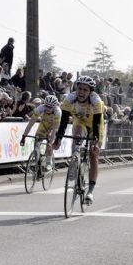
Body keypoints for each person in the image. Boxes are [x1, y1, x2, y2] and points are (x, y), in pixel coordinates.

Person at [55, 76, 105, 205]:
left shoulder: (96, 101)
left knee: (93, 155)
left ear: (90, 92)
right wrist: (58, 138)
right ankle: (74, 160)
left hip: (95, 123)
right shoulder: (69, 99)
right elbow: (64, 121)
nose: (81, 92)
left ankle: (90, 192)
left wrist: (95, 140)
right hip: (80, 121)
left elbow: (97, 124)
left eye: (85, 90)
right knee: (76, 134)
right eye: (79, 88)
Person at [20, 95, 61, 172]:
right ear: (44, 104)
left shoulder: (58, 112)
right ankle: (37, 162)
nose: (48, 108)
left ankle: (48, 162)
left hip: (53, 127)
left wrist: (51, 143)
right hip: (44, 125)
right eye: (47, 106)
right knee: (37, 139)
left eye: (50, 107)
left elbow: (55, 129)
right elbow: (30, 124)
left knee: (50, 142)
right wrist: (24, 136)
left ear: (54, 107)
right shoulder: (40, 108)